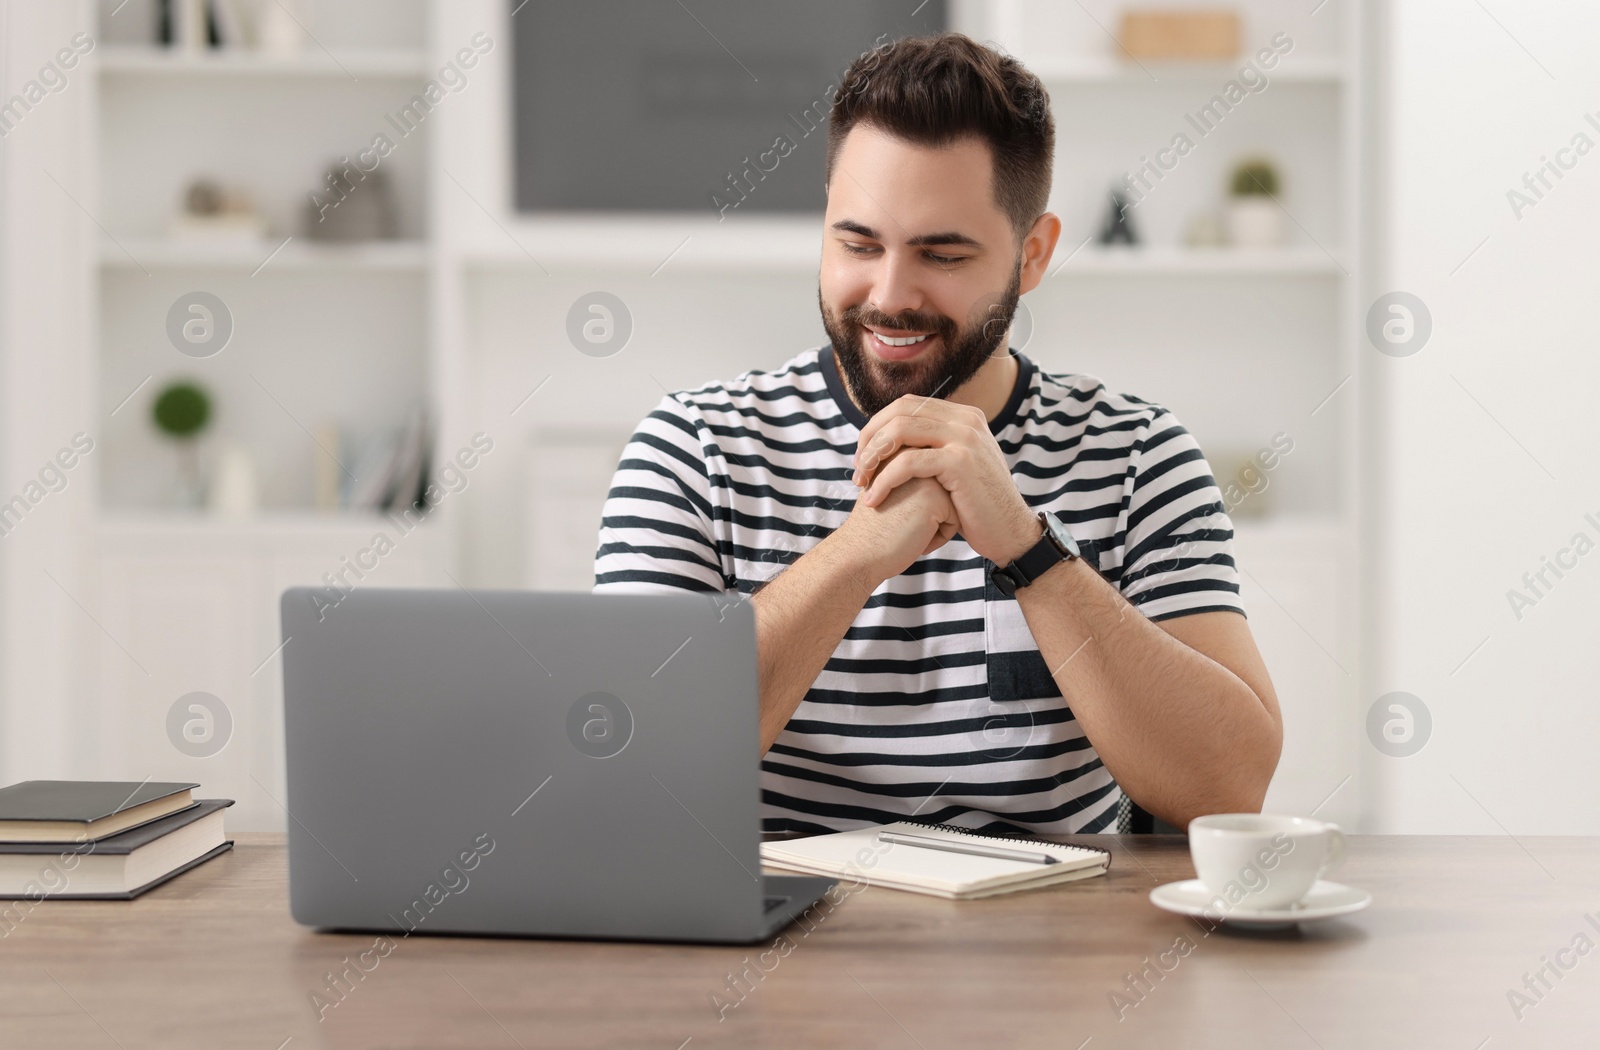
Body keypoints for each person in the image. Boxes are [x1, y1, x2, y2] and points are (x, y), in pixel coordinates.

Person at [595, 32, 1282, 835]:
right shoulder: (692, 450)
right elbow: (630, 768)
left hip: (1055, 951)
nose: (889, 295)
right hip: (775, 947)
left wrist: (1030, 552)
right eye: (857, 244)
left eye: (942, 255)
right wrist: (856, 554)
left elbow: (1229, 786)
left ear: (1032, 255)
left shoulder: (1137, 455)